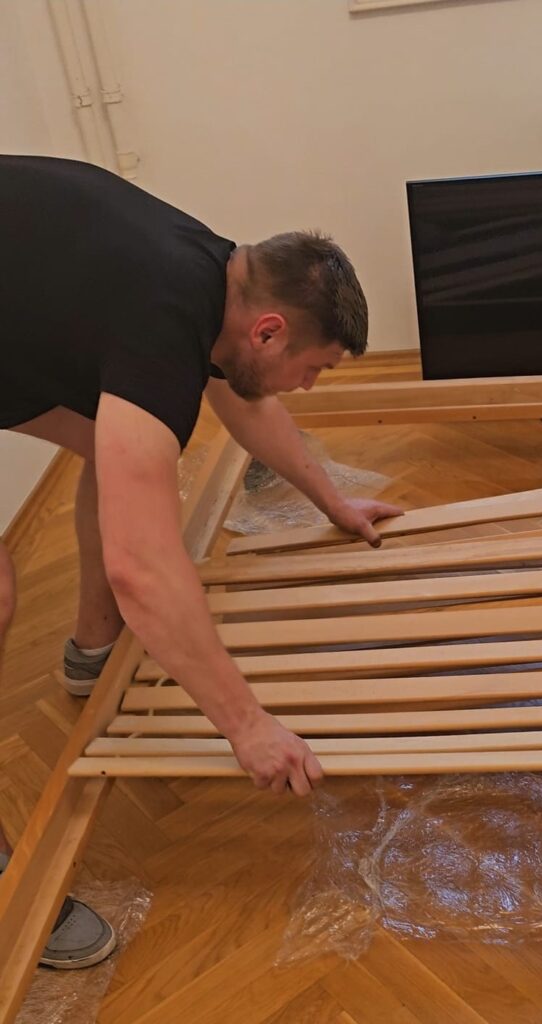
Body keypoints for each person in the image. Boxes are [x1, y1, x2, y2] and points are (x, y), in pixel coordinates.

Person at [0, 154, 402, 967]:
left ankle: (92, 651)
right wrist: (246, 725)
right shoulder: (161, 318)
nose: (308, 387)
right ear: (269, 330)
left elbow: (244, 398)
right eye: (313, 369)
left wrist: (332, 502)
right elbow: (141, 566)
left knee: (115, 444)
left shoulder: (210, 273)